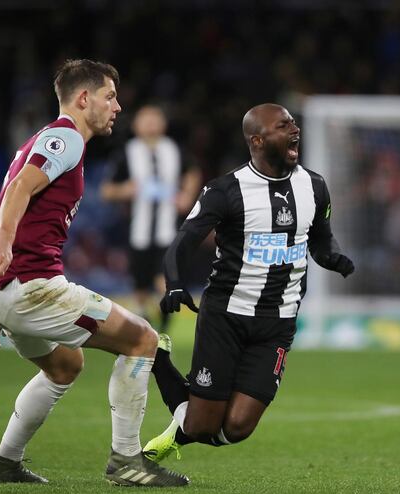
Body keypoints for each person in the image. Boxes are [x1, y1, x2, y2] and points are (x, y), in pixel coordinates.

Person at [0, 59, 188, 487]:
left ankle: (4, 463)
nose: (117, 106)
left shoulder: (40, 142)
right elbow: (18, 192)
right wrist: (5, 245)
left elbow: (5, 205)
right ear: (83, 98)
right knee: (142, 339)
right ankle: (127, 461)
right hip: (32, 287)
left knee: (64, 365)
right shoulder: (65, 137)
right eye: (110, 96)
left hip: (4, 291)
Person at [141, 103, 354, 462]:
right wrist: (174, 284)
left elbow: (320, 239)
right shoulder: (226, 190)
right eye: (283, 125)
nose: (295, 129)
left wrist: (333, 258)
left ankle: (180, 422)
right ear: (257, 139)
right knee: (201, 426)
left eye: (293, 123)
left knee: (236, 427)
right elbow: (182, 243)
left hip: (279, 321)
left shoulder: (315, 186)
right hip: (226, 316)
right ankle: (157, 358)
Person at [100, 104, 202, 333]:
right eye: (145, 119)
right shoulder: (126, 153)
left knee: (164, 278)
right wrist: (125, 190)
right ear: (135, 125)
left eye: (155, 118)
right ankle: (146, 326)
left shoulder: (174, 150)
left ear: (163, 124)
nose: (150, 124)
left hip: (169, 229)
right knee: (141, 286)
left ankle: (164, 328)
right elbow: (106, 191)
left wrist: (187, 195)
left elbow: (193, 171)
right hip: (139, 230)